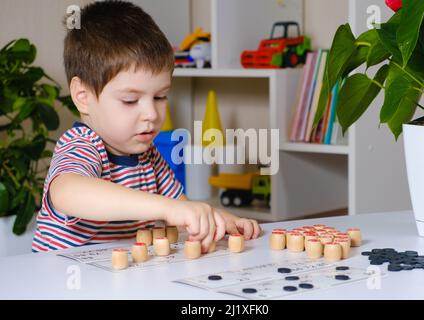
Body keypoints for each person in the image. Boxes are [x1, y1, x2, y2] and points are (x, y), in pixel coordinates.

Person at [32, 0, 261, 253]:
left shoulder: (147, 154)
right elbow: (67, 193)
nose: (151, 113)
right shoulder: (83, 144)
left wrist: (221, 220)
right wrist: (166, 208)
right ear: (83, 96)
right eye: (130, 100)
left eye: (160, 97)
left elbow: (182, 207)